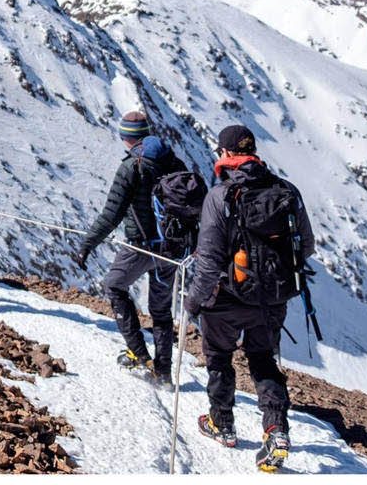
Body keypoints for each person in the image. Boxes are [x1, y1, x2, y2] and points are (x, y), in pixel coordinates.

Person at [185, 124, 315, 471]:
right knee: (262, 360)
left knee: (219, 358)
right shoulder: (287, 191)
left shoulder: (219, 196)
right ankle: (276, 431)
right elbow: (307, 244)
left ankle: (222, 424)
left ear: (226, 155)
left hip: (225, 299)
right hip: (271, 298)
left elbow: (209, 259)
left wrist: (193, 301)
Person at [73, 111, 187, 386]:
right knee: (161, 311)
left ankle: (138, 353)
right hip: (171, 250)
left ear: (125, 138)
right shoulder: (173, 161)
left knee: (113, 286)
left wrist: (87, 244)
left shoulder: (131, 167)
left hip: (140, 247)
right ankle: (163, 372)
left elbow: (112, 214)